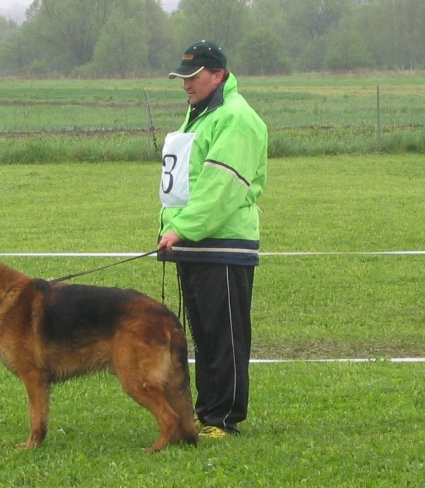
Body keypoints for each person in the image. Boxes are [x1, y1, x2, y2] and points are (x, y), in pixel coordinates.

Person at [157, 40, 268, 438]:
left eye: (193, 76)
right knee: (204, 334)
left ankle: (224, 418)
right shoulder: (200, 115)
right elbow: (185, 183)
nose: (185, 84)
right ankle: (207, 414)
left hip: (223, 246)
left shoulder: (236, 119)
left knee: (225, 336)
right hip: (196, 244)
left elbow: (221, 186)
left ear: (218, 75)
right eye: (182, 78)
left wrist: (181, 228)